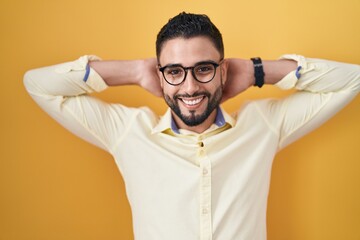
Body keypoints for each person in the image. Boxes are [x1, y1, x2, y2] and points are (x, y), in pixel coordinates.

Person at [24, 12, 359, 240]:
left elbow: (352, 79)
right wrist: (135, 72)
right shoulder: (127, 132)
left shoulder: (264, 126)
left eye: (203, 69)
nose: (189, 88)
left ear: (223, 71)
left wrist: (257, 70)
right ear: (161, 75)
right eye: (174, 71)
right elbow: (37, 84)